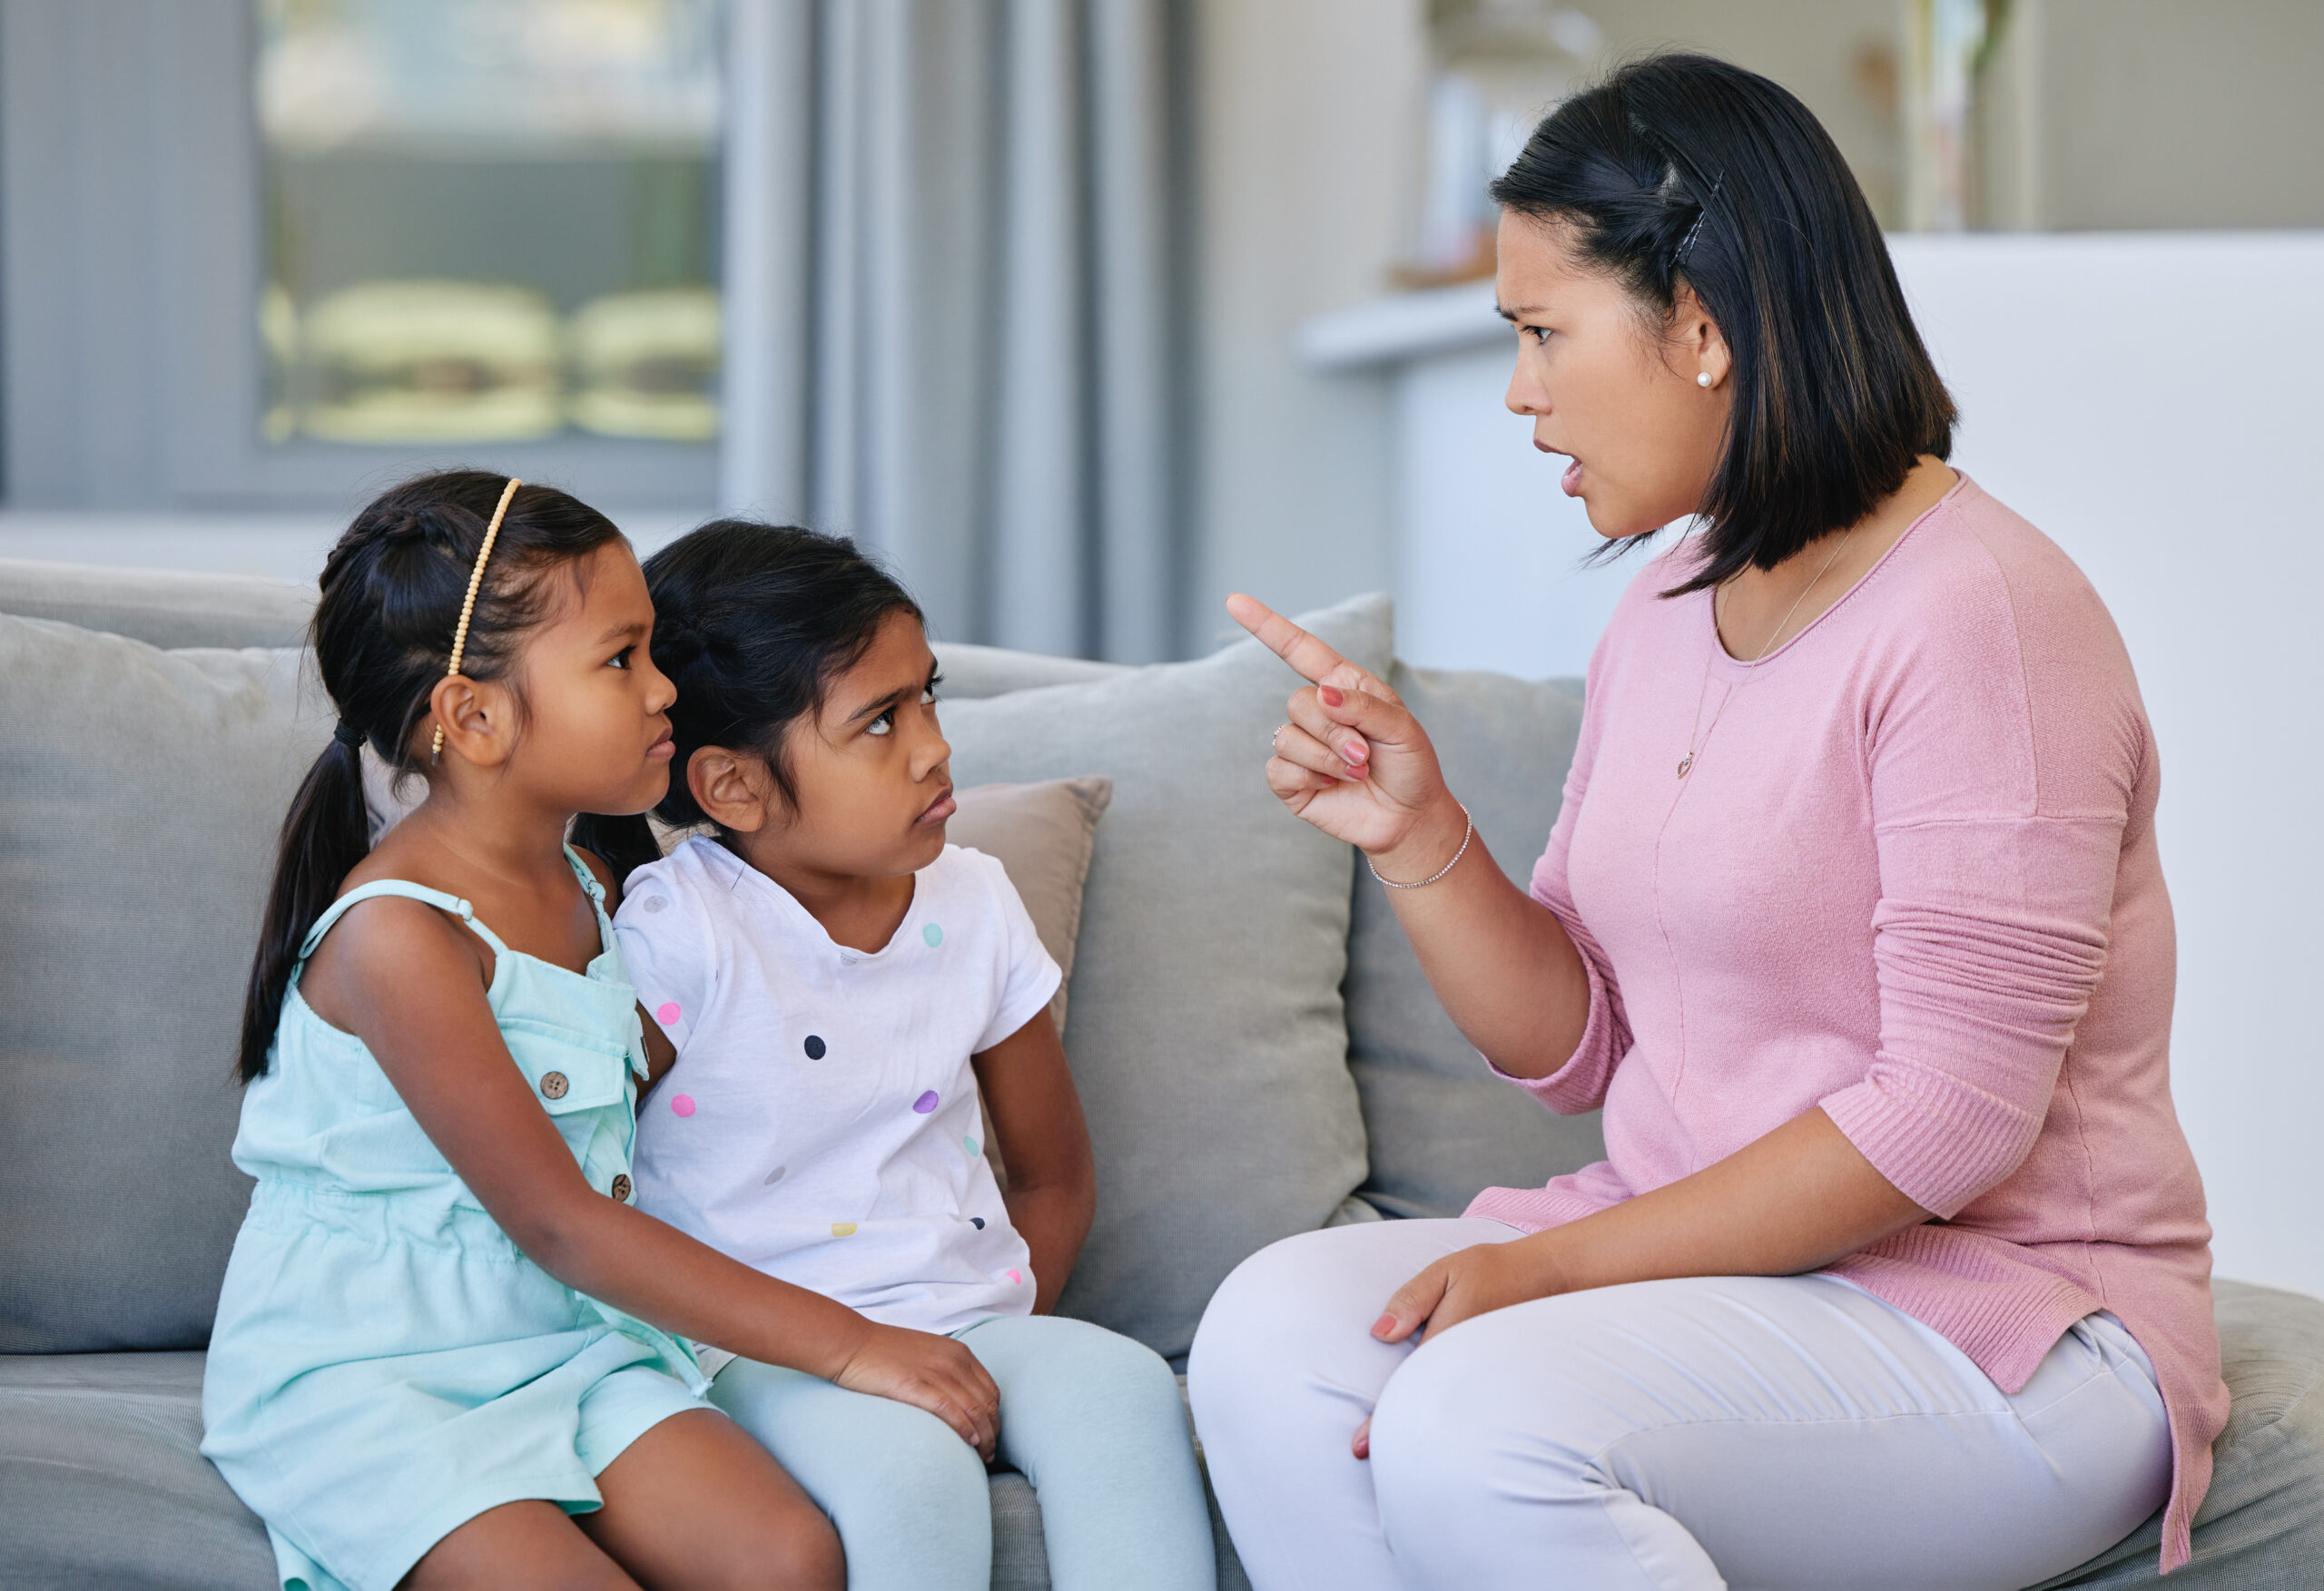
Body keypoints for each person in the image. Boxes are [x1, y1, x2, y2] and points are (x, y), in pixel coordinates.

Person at [1187, 54, 2228, 1591]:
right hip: (1735, 1269)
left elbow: (1947, 1118)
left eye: (1544, 332)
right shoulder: (1670, 604)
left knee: (1477, 1420)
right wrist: (1423, 842)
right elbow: (1591, 1049)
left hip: (2013, 1323)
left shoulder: (1986, 618)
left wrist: (1545, 1270)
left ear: (1701, 327)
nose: (1522, 389)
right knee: (1272, 1335)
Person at [202, 473, 999, 1591]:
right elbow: (562, 1221)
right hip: (379, 1370)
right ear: (472, 717)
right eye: (622, 659)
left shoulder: (594, 880)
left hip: (565, 1341)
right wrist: (854, 1343)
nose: (664, 686)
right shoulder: (400, 939)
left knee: (787, 1552)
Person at [572, 520, 1216, 1591]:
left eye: (929, 695)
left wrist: (986, 1341)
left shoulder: (975, 899)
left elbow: (1055, 1176)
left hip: (961, 1317)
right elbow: (576, 1194)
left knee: (1121, 1385)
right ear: (732, 787)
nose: (933, 745)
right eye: (878, 720)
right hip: (750, 1351)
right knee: (906, 1472)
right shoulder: (675, 933)